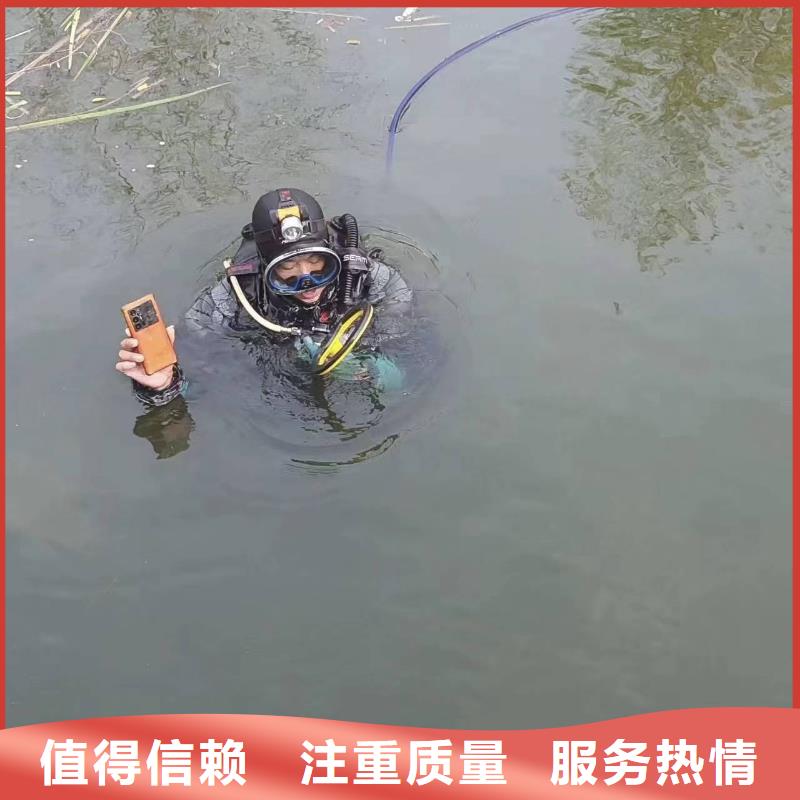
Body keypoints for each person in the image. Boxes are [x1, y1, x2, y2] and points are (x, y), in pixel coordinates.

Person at [115, 188, 413, 410]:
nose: (306, 281)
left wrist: (373, 364)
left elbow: (406, 343)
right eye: (288, 267)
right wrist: (163, 386)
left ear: (330, 254)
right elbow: (205, 389)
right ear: (265, 265)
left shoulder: (368, 276)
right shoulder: (230, 299)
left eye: (315, 262)